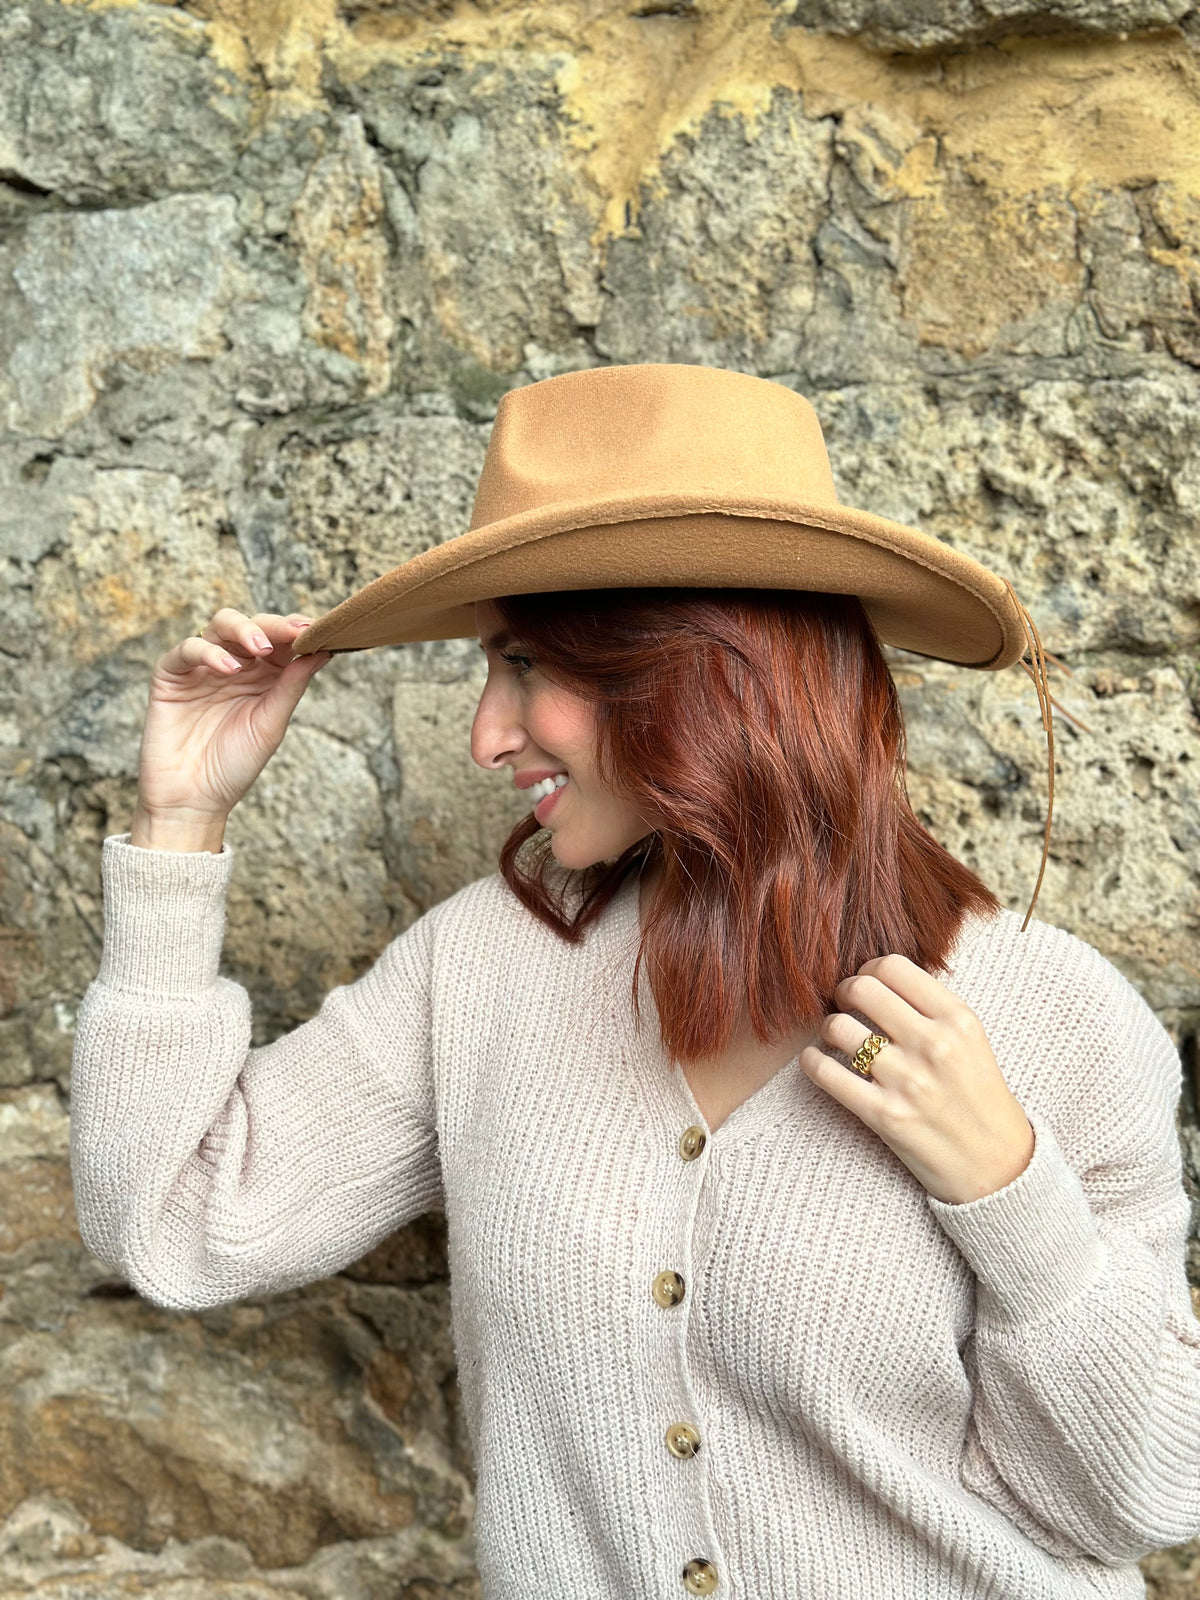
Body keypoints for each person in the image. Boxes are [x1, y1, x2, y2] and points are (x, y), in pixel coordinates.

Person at [70, 364, 1200, 1599]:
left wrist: (1007, 1191)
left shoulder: (1064, 1021)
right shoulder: (484, 970)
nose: (485, 736)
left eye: (527, 668)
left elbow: (1137, 1499)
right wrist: (179, 821)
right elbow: (168, 1225)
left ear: (701, 671)